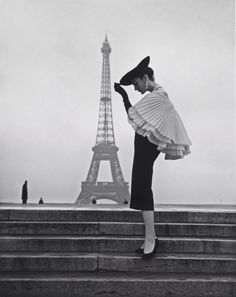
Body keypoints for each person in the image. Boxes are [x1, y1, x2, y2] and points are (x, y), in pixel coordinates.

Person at [114, 56, 191, 259]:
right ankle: (150, 236)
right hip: (144, 145)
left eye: (136, 83)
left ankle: (151, 239)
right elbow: (138, 117)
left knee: (143, 187)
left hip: (146, 147)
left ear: (145, 77)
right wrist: (124, 96)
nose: (136, 88)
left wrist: (123, 97)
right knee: (140, 187)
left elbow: (133, 114)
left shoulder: (159, 96)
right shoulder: (157, 96)